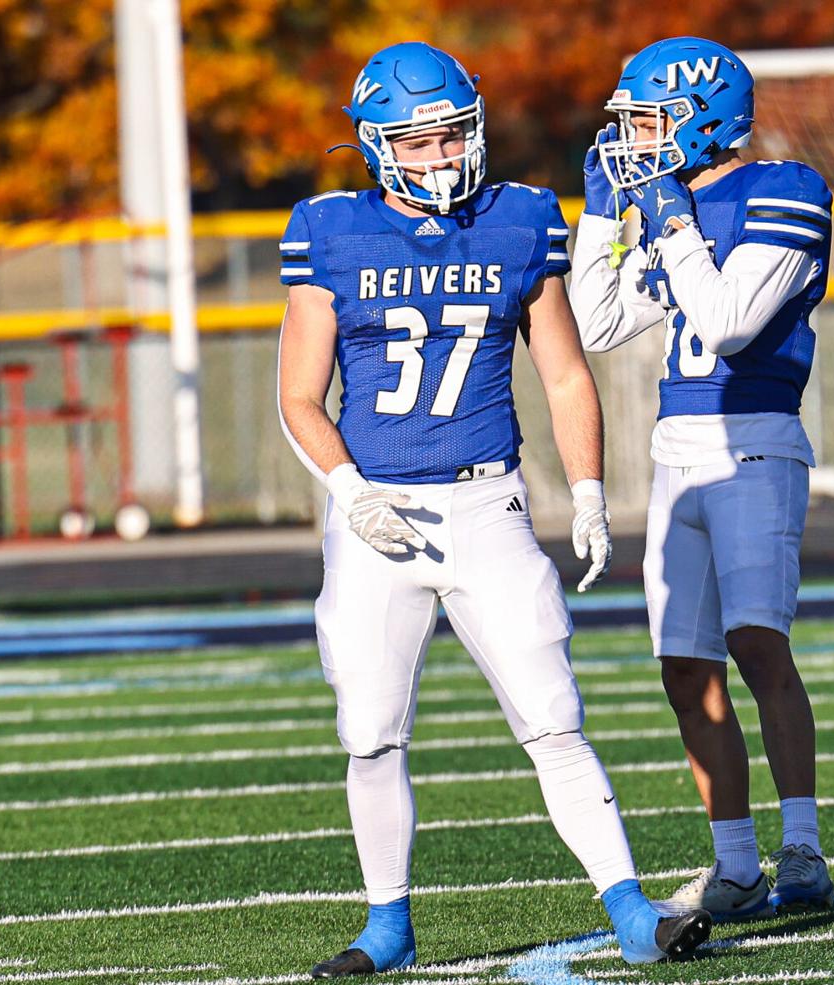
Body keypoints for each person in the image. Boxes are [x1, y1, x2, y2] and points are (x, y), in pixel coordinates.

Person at [276, 41, 712, 978]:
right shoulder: (330, 228)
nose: (440, 156)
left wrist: (587, 491)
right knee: (371, 729)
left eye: (451, 134)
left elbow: (564, 373)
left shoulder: (520, 217)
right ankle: (387, 923)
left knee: (554, 714)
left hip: (487, 503)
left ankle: (629, 908)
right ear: (376, 145)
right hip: (377, 511)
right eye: (417, 141)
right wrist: (350, 493)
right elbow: (298, 397)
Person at [568, 36, 834, 921]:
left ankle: (802, 849)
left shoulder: (785, 190)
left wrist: (676, 223)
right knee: (685, 668)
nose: (633, 139)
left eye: (649, 121)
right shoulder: (666, 206)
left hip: (754, 443)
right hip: (675, 452)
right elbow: (599, 324)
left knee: (758, 644)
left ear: (705, 120)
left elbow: (726, 323)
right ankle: (737, 866)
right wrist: (602, 218)